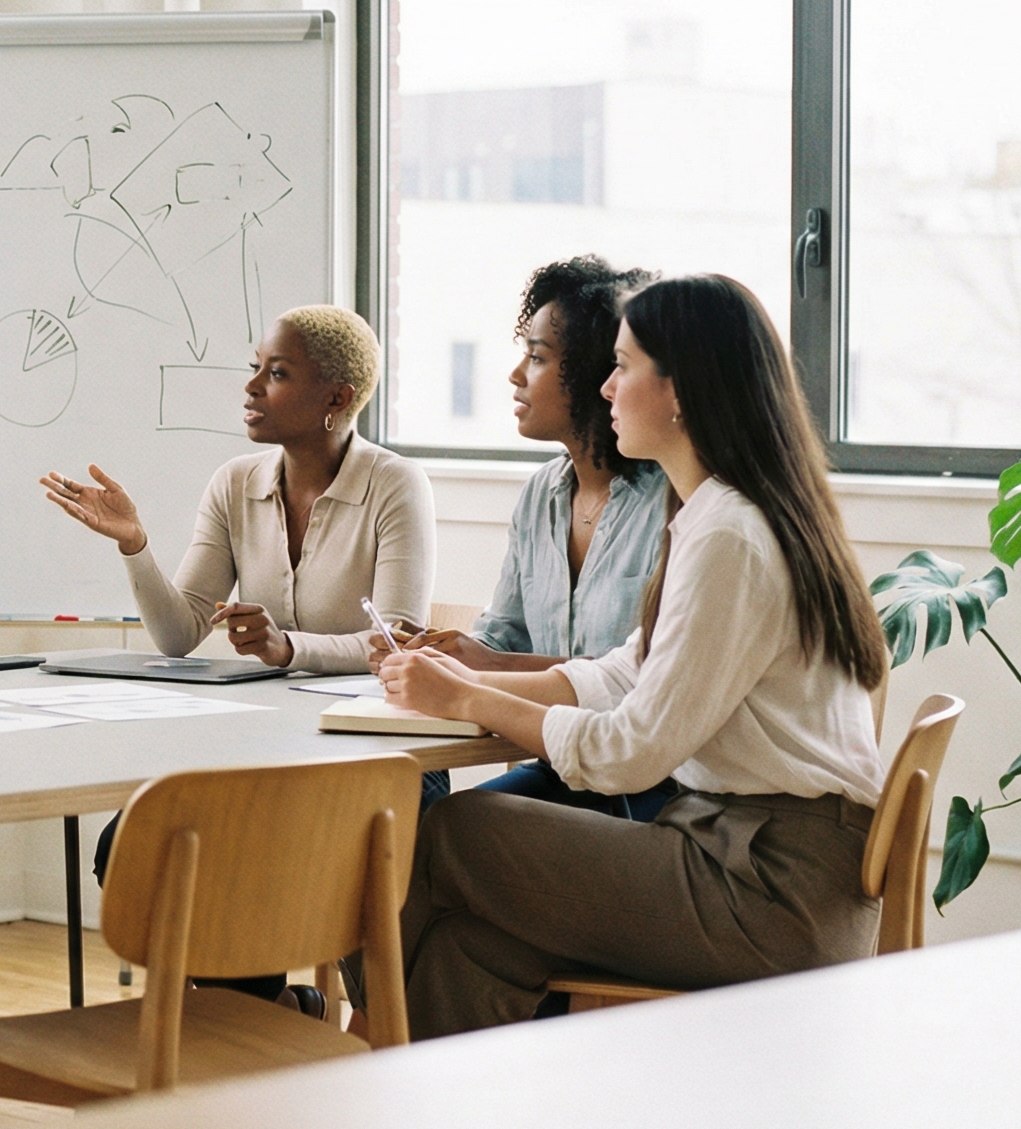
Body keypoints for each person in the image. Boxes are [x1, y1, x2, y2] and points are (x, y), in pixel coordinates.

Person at [370, 274, 890, 1039]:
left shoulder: (728, 535)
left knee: (452, 831)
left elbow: (631, 754)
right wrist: (475, 677)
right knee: (466, 949)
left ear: (682, 389)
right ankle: (427, 1102)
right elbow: (625, 671)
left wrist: (470, 701)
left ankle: (366, 1052)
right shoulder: (721, 511)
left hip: (772, 892)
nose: (606, 386)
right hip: (743, 852)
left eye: (624, 364)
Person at [43, 304, 438, 1007]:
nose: (251, 386)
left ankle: (250, 1018)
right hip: (259, 750)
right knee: (129, 845)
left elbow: (397, 641)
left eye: (277, 373)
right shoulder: (235, 483)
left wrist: (290, 648)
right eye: (255, 368)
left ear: (337, 399)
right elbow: (179, 632)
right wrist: (135, 545)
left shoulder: (395, 485)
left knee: (242, 854)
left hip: (368, 760)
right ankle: (258, 1015)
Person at [378, 256, 675, 821]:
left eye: (537, 358)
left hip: (647, 784)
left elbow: (635, 682)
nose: (516, 375)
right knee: (409, 807)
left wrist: (481, 670)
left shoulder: (676, 501)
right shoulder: (542, 495)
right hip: (558, 763)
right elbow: (501, 636)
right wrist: (444, 652)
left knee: (437, 832)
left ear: (595, 374)